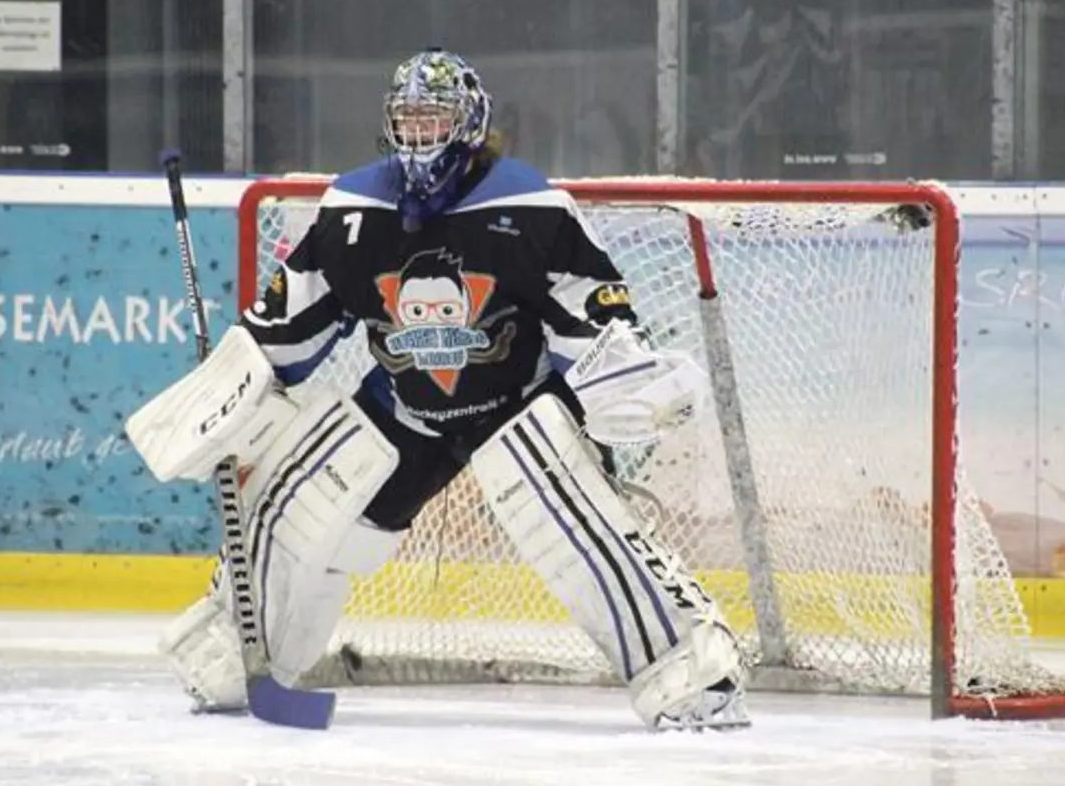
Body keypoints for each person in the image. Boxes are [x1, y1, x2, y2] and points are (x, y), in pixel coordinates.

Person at [125, 48, 749, 731]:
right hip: (408, 408)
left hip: (516, 404)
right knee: (296, 489)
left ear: (470, 123)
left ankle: (688, 660)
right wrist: (233, 391)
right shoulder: (353, 210)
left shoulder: (530, 204)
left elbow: (593, 318)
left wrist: (621, 374)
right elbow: (286, 332)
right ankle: (237, 646)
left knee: (549, 480)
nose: (419, 136)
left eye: (434, 119)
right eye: (408, 121)